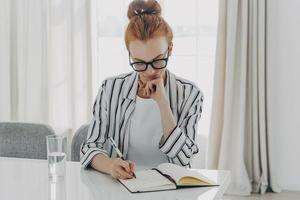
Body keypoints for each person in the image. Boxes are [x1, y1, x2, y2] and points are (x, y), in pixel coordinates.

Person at [80, 0, 204, 180]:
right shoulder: (110, 89)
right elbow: (89, 147)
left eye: (157, 60)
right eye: (139, 63)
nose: (149, 71)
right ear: (129, 54)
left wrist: (163, 103)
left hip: (171, 189)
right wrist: (110, 165)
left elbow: (183, 160)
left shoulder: (190, 94)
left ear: (170, 49)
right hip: (124, 187)